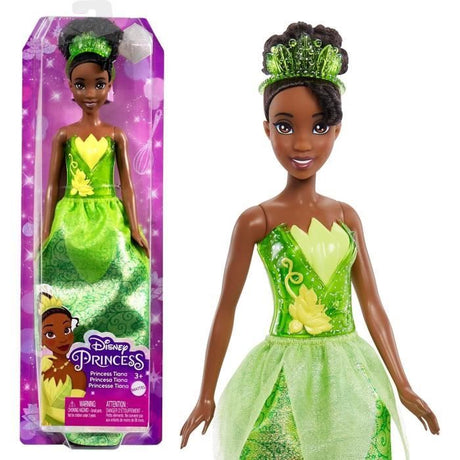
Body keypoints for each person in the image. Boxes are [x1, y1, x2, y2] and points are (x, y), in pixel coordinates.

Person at [181, 22, 439, 459]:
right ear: (267, 129)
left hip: (352, 376)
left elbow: (371, 304)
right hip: (283, 372)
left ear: (336, 131)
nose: (302, 143)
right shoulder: (257, 220)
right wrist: (206, 395)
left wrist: (403, 384)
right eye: (286, 127)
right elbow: (226, 308)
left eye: (319, 128)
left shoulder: (346, 217)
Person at [39, 17, 150, 447]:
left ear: (110, 85)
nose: (90, 93)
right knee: (64, 302)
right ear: (70, 86)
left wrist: (136, 229)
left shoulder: (116, 135)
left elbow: (128, 187)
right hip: (71, 221)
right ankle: (66, 404)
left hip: (109, 220)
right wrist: (45, 235)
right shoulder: (64, 135)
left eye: (98, 84)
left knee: (124, 286)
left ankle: (115, 402)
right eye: (82, 84)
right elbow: (52, 188)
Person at [40, 290, 86, 426]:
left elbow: (74, 415)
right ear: (40, 339)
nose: (62, 339)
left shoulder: (77, 375)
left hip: (61, 429)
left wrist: (45, 410)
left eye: (66, 330)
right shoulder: (43, 364)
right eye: (50, 334)